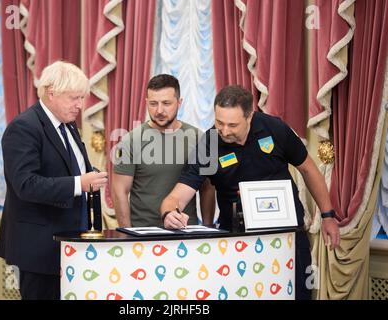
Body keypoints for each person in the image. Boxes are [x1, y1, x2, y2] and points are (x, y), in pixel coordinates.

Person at [160, 85, 340, 300]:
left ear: (250, 116)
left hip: (287, 237)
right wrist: (169, 213)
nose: (225, 130)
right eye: (219, 122)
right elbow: (177, 195)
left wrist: (327, 215)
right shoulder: (209, 143)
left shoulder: (275, 129)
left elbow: (308, 169)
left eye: (232, 124)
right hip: (236, 240)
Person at [0, 61, 108, 300]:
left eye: (82, 98)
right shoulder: (23, 127)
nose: (80, 105)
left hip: (71, 242)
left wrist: (91, 176)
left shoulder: (69, 126)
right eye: (74, 98)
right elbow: (25, 185)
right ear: (51, 93)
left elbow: (69, 168)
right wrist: (80, 184)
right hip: (39, 248)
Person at [113, 74, 215, 227]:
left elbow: (207, 188)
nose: (159, 110)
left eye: (166, 103)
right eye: (153, 103)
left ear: (179, 103)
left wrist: (207, 227)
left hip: (186, 231)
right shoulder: (129, 141)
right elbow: (119, 192)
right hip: (144, 234)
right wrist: (126, 234)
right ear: (146, 102)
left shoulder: (198, 138)